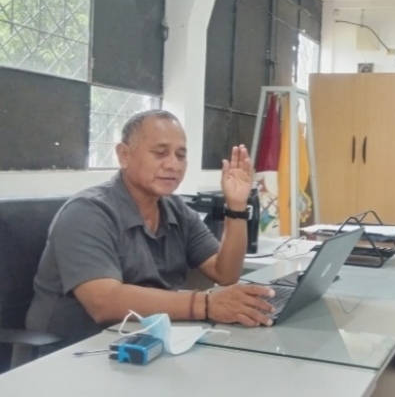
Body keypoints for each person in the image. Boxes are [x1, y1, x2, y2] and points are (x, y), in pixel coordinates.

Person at [27, 110, 276, 347]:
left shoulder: (175, 209)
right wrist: (207, 304)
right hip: (77, 349)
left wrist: (236, 207)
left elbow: (225, 273)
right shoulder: (87, 212)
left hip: (146, 339)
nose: (173, 165)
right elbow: (103, 302)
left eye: (181, 155)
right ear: (124, 155)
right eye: (160, 153)